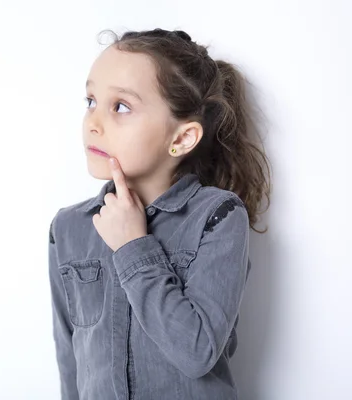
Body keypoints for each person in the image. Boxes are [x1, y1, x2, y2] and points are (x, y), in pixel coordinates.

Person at [47, 28, 271, 400]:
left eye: (120, 106)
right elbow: (69, 361)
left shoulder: (217, 216)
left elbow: (196, 353)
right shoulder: (67, 229)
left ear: (182, 139)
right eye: (90, 101)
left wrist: (134, 246)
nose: (93, 122)